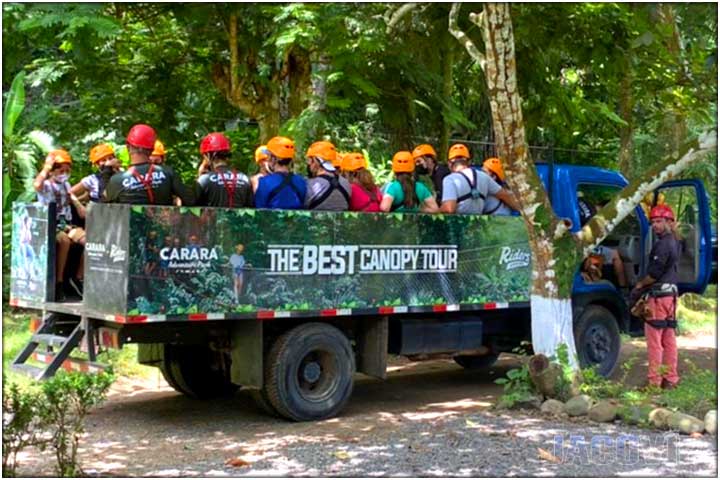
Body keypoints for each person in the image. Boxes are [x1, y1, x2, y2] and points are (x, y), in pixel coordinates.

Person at [631, 204, 680, 390]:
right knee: (669, 340)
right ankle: (671, 380)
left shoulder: (663, 244)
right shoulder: (675, 242)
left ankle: (654, 382)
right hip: (671, 297)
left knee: (654, 340)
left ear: (669, 222)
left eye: (659, 221)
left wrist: (640, 285)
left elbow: (654, 273)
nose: (655, 225)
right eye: (653, 222)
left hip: (659, 297)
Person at [33, 149, 87, 300]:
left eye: (67, 170)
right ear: (52, 170)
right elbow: (36, 185)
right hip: (50, 224)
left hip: (66, 224)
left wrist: (79, 204)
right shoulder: (46, 185)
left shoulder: (66, 185)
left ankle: (77, 278)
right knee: (63, 240)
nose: (64, 173)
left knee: (90, 241)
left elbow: (72, 199)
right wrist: (47, 167)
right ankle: (58, 282)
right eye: (60, 170)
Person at [103, 124, 195, 205]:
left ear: (128, 147)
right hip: (163, 224)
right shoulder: (168, 173)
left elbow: (104, 204)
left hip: (130, 225)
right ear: (152, 149)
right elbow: (191, 200)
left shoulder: (117, 180)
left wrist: (106, 172)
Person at [440, 144, 519, 214]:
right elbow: (505, 195)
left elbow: (449, 209)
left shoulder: (450, 179)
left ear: (449, 164)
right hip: (477, 224)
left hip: (460, 224)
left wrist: (436, 210)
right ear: (469, 162)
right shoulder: (484, 176)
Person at [196, 132, 253, 208]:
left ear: (209, 155)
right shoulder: (245, 179)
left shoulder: (204, 180)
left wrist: (199, 176)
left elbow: (194, 208)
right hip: (238, 220)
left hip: (213, 220)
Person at [254, 136, 307, 209]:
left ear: (273, 158)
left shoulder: (264, 182)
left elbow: (260, 209)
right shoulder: (301, 181)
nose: (268, 159)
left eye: (269, 156)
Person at [305, 140, 352, 211]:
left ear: (315, 160)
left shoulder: (310, 185)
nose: (309, 164)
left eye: (309, 159)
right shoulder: (346, 184)